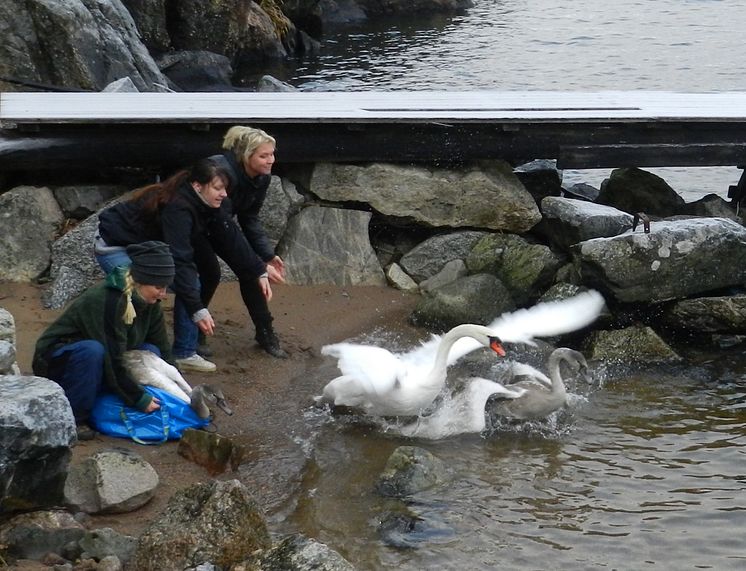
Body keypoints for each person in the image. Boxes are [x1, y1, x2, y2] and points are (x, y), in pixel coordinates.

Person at [94, 159, 233, 372]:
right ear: (198, 186)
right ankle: (125, 353)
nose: (224, 194)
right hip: (114, 246)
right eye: (218, 188)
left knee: (189, 284)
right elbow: (180, 258)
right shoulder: (178, 207)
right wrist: (198, 309)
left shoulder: (204, 205)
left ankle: (185, 353)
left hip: (146, 249)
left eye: (225, 188)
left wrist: (259, 267)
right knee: (139, 290)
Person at [32, 241, 176, 439]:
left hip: (106, 358)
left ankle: (129, 397)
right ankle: (76, 416)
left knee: (151, 351)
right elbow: (112, 355)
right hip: (60, 362)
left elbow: (163, 348)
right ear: (141, 280)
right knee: (93, 351)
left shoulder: (149, 302)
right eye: (159, 287)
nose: (164, 294)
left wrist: (177, 391)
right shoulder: (108, 299)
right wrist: (138, 398)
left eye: (166, 287)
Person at [207, 125, 288, 358]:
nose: (271, 160)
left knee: (251, 273)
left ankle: (265, 333)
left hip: (221, 226)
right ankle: (192, 338)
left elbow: (249, 218)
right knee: (209, 273)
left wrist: (267, 255)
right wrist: (257, 265)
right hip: (197, 226)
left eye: (272, 154)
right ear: (246, 156)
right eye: (264, 156)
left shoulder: (261, 178)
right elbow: (223, 224)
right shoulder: (222, 173)